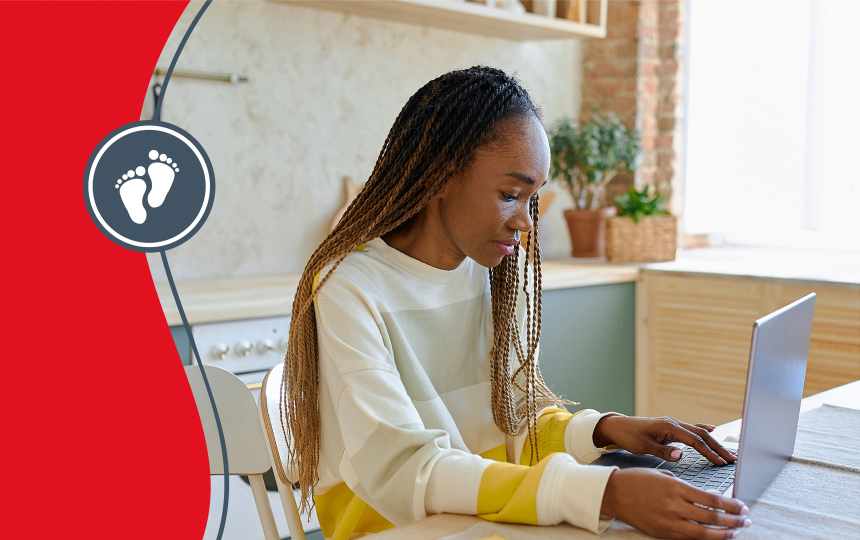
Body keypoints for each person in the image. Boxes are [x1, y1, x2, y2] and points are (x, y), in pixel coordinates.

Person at [281, 66, 750, 540]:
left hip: (482, 519)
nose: (526, 221)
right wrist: (606, 491)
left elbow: (517, 427)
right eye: (510, 194)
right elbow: (404, 471)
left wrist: (604, 431)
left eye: (533, 200)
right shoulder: (349, 287)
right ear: (439, 174)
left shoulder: (498, 276)